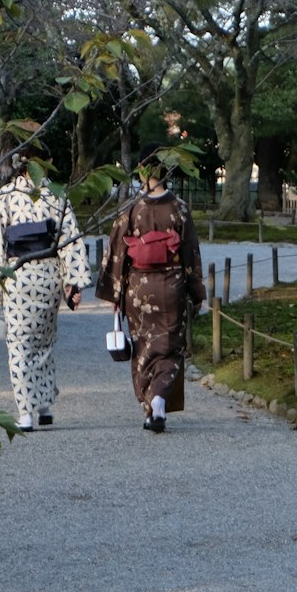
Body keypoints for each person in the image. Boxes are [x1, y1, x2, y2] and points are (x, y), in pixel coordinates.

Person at [0, 125, 92, 432]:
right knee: (43, 343)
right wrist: (73, 282)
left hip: (17, 277)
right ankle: (44, 406)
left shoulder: (7, 195)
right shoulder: (58, 195)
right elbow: (70, 239)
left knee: (19, 345)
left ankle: (25, 413)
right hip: (48, 277)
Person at [95, 145, 206, 434]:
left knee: (143, 347)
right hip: (171, 287)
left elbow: (117, 254)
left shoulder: (131, 210)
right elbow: (191, 253)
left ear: (142, 171)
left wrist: (115, 295)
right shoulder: (179, 208)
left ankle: (149, 404)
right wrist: (197, 293)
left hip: (139, 289)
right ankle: (158, 400)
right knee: (170, 347)